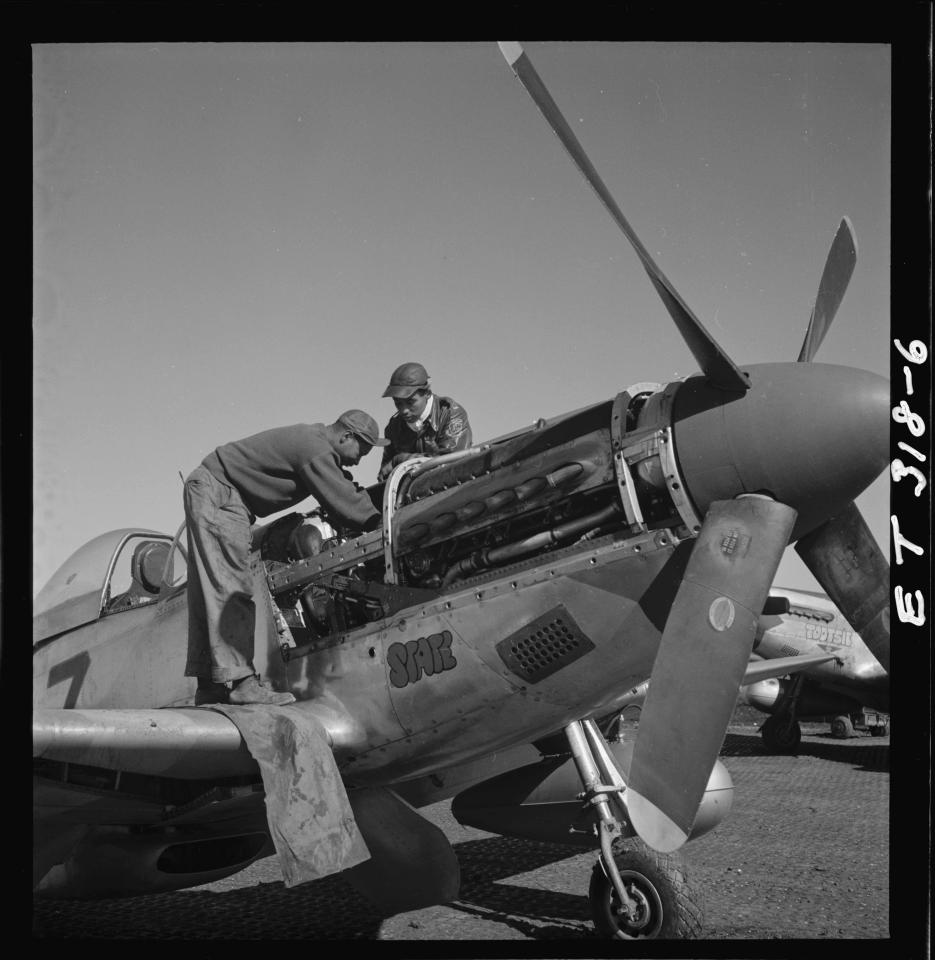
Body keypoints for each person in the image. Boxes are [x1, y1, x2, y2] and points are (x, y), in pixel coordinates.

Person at [185, 410, 389, 705]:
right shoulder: (316, 450)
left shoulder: (315, 443)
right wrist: (381, 524)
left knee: (212, 590)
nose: (359, 460)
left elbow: (343, 485)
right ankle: (243, 684)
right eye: (362, 451)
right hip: (221, 496)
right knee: (233, 589)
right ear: (346, 437)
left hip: (215, 491)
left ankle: (209, 686)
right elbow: (344, 499)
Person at [377, 362, 472, 482]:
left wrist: (401, 460)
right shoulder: (393, 428)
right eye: (398, 403)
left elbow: (451, 463)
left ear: (427, 393)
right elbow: (385, 476)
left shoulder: (450, 413)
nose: (403, 410)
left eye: (410, 402)